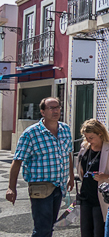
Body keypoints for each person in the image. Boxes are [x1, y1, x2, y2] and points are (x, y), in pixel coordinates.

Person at [5, 97, 74, 237]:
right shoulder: (31, 133)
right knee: (42, 228)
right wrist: (11, 187)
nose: (55, 111)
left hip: (59, 185)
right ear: (42, 112)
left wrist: (71, 177)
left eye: (58, 107)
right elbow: (17, 160)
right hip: (40, 186)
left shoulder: (65, 129)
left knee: (50, 226)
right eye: (51, 108)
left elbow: (68, 154)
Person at [77, 119, 109, 237]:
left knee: (99, 231)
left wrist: (106, 176)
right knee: (85, 231)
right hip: (85, 195)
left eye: (91, 137)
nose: (88, 140)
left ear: (100, 134)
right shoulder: (85, 147)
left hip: (100, 197)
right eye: (86, 137)